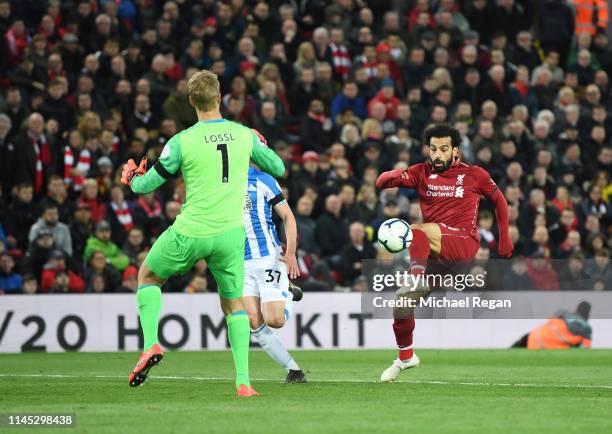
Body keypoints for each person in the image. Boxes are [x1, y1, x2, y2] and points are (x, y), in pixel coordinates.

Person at [121, 70, 284, 396]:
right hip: (230, 236)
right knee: (234, 305)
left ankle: (150, 344)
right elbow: (278, 168)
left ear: (192, 101)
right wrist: (258, 142)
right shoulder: (243, 134)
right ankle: (243, 383)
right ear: (220, 97)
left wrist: (131, 177)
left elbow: (146, 185)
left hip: (191, 230)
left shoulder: (181, 140)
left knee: (149, 277)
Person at [375, 123, 512, 381]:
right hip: (437, 257)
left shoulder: (474, 174)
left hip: (464, 243)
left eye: (443, 149)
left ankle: (415, 274)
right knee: (402, 305)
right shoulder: (421, 172)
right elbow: (381, 182)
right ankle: (406, 357)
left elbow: (500, 201)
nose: (437, 155)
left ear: (456, 150)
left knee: (417, 229)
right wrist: (395, 175)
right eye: (433, 149)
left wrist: (504, 238)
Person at [242, 165, 306, 384]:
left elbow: (288, 216)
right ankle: (294, 370)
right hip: (239, 262)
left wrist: (290, 252)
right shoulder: (222, 180)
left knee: (275, 320)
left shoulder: (263, 180)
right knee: (254, 322)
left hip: (266, 256)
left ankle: (287, 293)